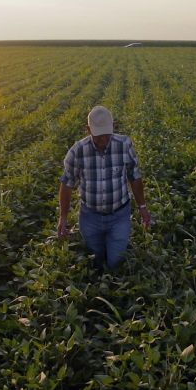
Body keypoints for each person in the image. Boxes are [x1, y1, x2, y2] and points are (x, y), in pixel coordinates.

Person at [57, 105, 152, 270]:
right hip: (90, 218)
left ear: (113, 126)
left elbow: (134, 177)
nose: (103, 140)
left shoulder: (124, 145)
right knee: (96, 260)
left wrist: (142, 207)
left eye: (106, 134)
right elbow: (67, 184)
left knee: (115, 262)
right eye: (98, 136)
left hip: (119, 216)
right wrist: (63, 217)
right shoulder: (78, 151)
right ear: (88, 130)